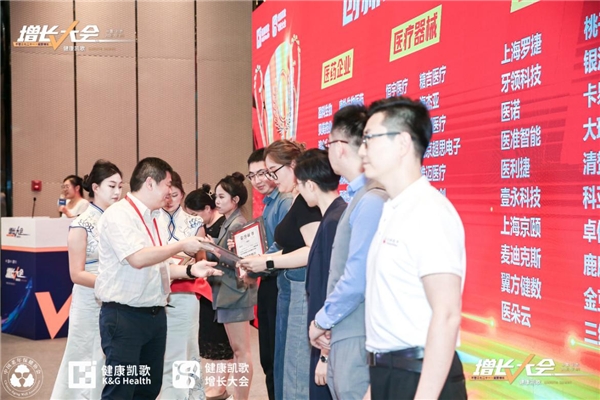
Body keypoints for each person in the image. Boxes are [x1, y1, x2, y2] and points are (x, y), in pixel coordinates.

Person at [358, 97, 467, 399]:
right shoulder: (393, 210)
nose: (362, 150)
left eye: (369, 139)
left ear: (403, 143)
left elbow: (447, 314)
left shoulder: (429, 211)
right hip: (390, 373)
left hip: (422, 378)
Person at [95, 157, 222, 400]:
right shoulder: (119, 215)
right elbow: (137, 258)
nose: (169, 192)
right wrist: (181, 245)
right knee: (121, 391)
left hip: (155, 314)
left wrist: (191, 271)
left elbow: (160, 266)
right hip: (124, 316)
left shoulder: (156, 218)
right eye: (167, 184)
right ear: (150, 183)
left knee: (148, 390)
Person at [308, 105, 387, 400]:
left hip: (359, 334)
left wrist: (321, 321)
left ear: (340, 147)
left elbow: (356, 278)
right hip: (346, 332)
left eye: (328, 143)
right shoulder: (359, 198)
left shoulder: (372, 200)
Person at [239, 140, 321, 400]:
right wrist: (263, 259)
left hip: (300, 289)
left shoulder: (305, 201)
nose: (270, 179)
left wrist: (267, 262)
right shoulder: (296, 199)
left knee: (295, 369)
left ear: (293, 165)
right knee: (283, 364)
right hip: (288, 288)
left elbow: (312, 251)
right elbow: (287, 247)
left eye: (273, 171)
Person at [51, 160, 123, 400]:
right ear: (95, 187)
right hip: (89, 300)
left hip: (116, 300)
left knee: (108, 357)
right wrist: (111, 284)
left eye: (120, 186)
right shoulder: (81, 223)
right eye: (111, 186)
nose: (117, 192)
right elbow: (76, 274)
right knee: (83, 355)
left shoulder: (120, 221)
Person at [294, 149, 346, 400]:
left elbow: (335, 287)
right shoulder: (333, 216)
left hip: (329, 336)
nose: (298, 190)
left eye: (299, 184)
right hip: (323, 331)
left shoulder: (335, 221)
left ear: (311, 185)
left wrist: (325, 356)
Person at [244, 148, 292, 400]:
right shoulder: (269, 204)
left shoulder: (285, 201)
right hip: (268, 280)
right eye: (252, 175)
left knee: (276, 355)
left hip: (280, 282)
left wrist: (257, 260)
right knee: (268, 355)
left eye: (263, 172)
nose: (258, 180)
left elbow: (283, 246)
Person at [202, 172, 254, 400]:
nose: (217, 200)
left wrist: (214, 249)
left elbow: (243, 261)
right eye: (216, 196)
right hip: (228, 292)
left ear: (235, 200)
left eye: (222, 197)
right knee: (237, 350)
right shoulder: (229, 221)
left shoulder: (238, 223)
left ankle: (241, 397)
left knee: (241, 351)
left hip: (236, 294)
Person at [158, 171, 206, 400]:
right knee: (161, 350)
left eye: (174, 195)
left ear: (182, 194)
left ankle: (187, 395)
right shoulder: (151, 220)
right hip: (156, 294)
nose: (169, 200)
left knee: (187, 348)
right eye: (166, 195)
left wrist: (189, 265)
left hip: (185, 293)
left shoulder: (194, 222)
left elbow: (201, 260)